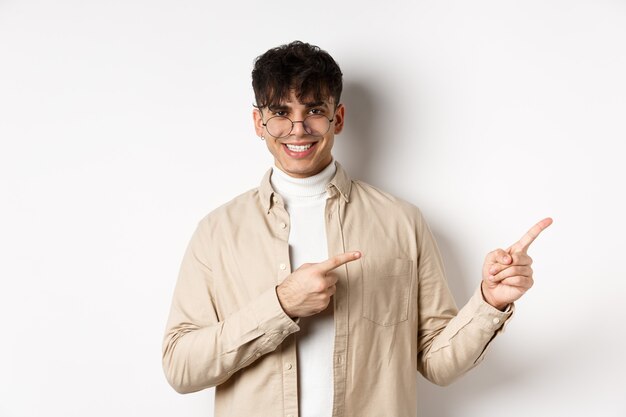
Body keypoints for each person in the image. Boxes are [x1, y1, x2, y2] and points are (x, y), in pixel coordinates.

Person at [162, 40, 552, 417]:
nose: (298, 129)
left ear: (339, 118)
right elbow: (180, 367)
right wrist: (280, 305)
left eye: (314, 110)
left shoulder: (401, 222)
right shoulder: (216, 233)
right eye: (280, 113)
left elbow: (438, 364)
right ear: (258, 122)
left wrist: (489, 301)